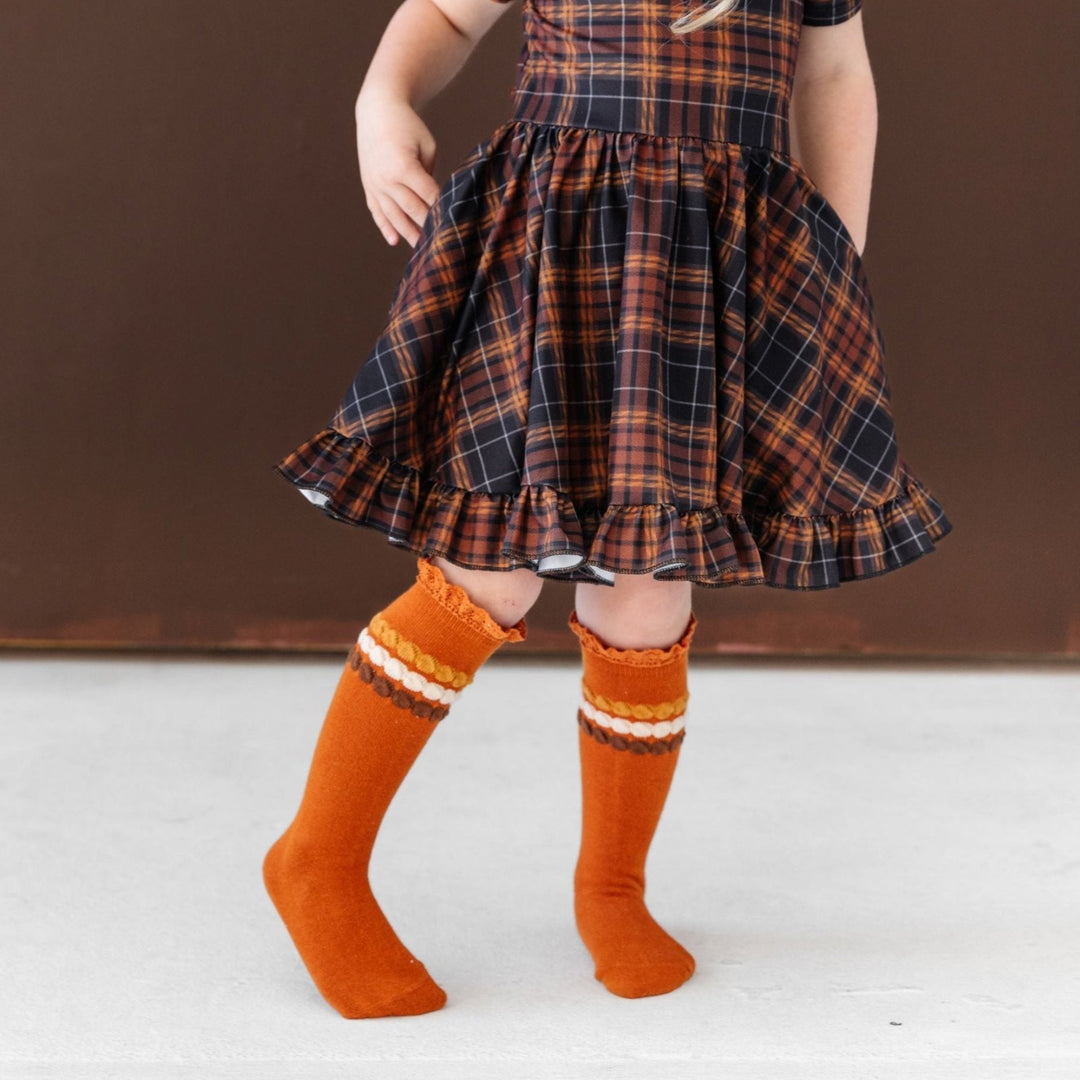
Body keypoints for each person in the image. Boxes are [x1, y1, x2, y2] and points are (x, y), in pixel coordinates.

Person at [263, 0, 953, 1019]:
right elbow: (449, 15)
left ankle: (612, 887)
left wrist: (835, 249)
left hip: (714, 260)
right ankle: (318, 857)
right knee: (488, 568)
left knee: (649, 594)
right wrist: (382, 98)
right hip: (563, 239)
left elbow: (834, 75)